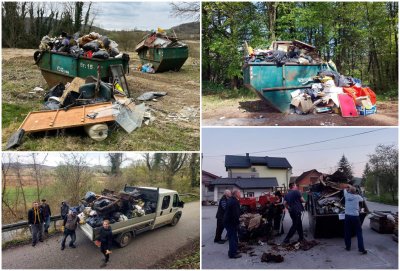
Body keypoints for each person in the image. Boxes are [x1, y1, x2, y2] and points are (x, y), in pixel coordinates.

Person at [344, 184, 367, 254]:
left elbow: (344, 190)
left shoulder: (346, 195)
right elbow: (362, 199)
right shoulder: (357, 197)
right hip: (355, 217)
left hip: (347, 216)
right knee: (359, 233)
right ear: (355, 192)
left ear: (349, 191)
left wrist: (347, 188)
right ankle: (361, 249)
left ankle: (348, 247)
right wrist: (357, 192)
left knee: (347, 232)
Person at [224, 189, 242, 259]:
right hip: (230, 222)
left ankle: (234, 251)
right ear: (236, 194)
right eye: (239, 193)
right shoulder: (234, 201)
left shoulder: (232, 200)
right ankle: (232, 254)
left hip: (229, 221)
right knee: (232, 238)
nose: (240, 194)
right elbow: (235, 214)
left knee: (234, 237)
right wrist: (238, 223)